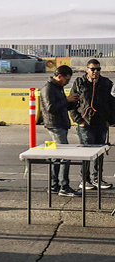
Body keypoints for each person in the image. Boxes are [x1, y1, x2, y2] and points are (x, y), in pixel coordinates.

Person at [70, 59, 113, 190]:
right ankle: (85, 179)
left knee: (99, 152)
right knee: (86, 152)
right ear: (87, 70)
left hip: (101, 123)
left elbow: (112, 103)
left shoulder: (106, 83)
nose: (95, 72)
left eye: (98, 69)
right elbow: (72, 103)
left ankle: (97, 178)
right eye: (93, 69)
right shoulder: (79, 83)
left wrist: (110, 121)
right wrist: (79, 120)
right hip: (86, 123)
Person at [40, 65, 81, 196]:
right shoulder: (48, 88)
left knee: (57, 156)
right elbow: (50, 108)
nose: (67, 83)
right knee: (65, 155)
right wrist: (66, 100)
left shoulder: (57, 87)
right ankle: (64, 185)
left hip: (60, 124)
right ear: (59, 76)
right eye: (66, 80)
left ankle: (54, 185)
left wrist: (72, 102)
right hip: (54, 125)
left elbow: (62, 106)